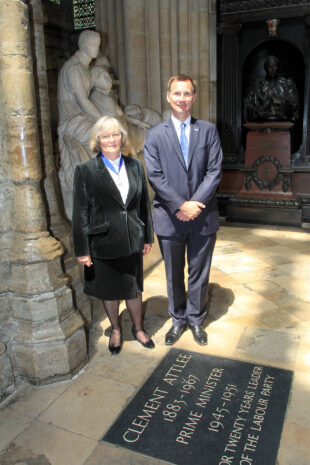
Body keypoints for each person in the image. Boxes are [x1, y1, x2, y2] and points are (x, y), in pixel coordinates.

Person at [144, 74, 222, 346]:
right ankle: (178, 320)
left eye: (187, 93)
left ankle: (196, 320)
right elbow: (155, 176)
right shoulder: (154, 135)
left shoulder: (209, 131)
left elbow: (214, 172)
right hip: (170, 218)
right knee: (173, 274)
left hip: (202, 217)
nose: (181, 98)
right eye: (177, 93)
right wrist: (180, 205)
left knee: (199, 273)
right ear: (168, 96)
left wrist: (193, 206)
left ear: (194, 97)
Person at [72, 116, 154, 354]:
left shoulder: (135, 165)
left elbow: (143, 204)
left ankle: (138, 328)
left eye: (115, 134)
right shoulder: (85, 171)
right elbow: (80, 213)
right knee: (109, 290)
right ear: (98, 141)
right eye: (105, 136)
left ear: (122, 137)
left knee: (133, 288)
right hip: (103, 243)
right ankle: (116, 329)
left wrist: (147, 235)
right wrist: (82, 250)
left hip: (131, 239)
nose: (111, 139)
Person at [58, 30, 102, 219]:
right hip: (72, 123)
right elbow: (83, 101)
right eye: (94, 44)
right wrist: (104, 122)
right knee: (105, 138)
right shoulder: (74, 68)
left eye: (98, 44)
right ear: (83, 45)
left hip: (81, 119)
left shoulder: (85, 69)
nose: (97, 49)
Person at [244, 55, 299, 123]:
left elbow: (294, 106)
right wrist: (263, 108)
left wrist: (280, 102)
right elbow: (248, 107)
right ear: (266, 68)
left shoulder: (287, 84)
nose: (272, 69)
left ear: (278, 67)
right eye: (270, 66)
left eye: (274, 66)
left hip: (283, 124)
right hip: (261, 125)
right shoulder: (257, 86)